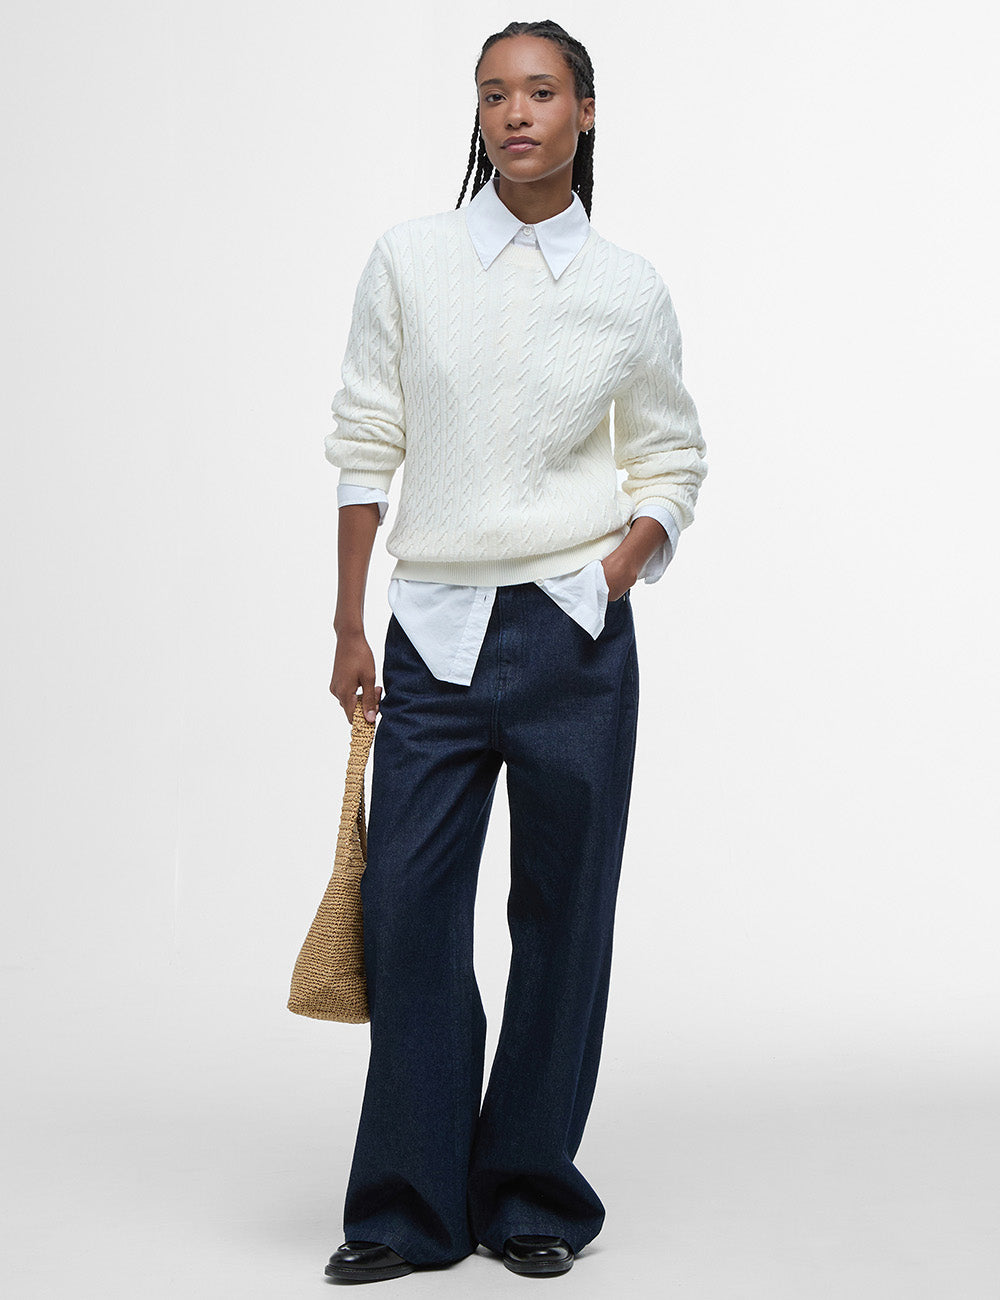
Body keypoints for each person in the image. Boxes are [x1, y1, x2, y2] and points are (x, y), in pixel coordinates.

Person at [322, 19, 708, 1284]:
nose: (516, 114)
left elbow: (672, 458)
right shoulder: (410, 260)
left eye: (540, 92)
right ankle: (407, 1208)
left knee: (563, 918)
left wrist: (611, 570)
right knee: (407, 913)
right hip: (430, 635)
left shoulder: (626, 288)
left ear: (585, 112)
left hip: (570, 642)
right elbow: (364, 439)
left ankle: (530, 1191)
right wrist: (347, 622)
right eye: (494, 94)